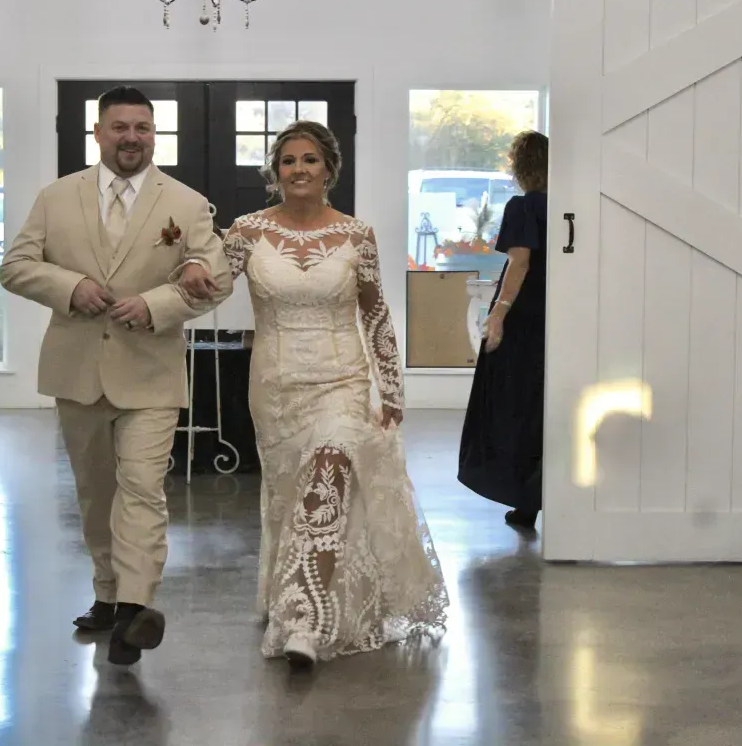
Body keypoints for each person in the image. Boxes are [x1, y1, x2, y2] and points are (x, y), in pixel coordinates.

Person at [177, 120, 449, 670]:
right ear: (276, 172)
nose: (298, 170)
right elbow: (214, 286)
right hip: (274, 387)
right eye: (288, 161)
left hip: (342, 379)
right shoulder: (247, 232)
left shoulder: (356, 235)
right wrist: (185, 269)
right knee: (290, 496)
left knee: (331, 469)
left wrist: (390, 385)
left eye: (309, 160)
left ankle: (304, 620)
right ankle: (290, 596)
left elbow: (374, 312)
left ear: (329, 169)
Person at [0, 85, 232, 666]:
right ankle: (107, 594)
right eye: (120, 127)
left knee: (142, 488)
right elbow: (15, 267)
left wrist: (159, 305)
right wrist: (69, 287)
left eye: (143, 128)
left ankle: (133, 609)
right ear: (98, 133)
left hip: (151, 372)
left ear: (155, 135)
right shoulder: (56, 198)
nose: (132, 137)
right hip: (77, 369)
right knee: (95, 492)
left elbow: (215, 277)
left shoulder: (187, 203)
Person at [457, 130, 549, 531]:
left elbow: (520, 263)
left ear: (521, 167)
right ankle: (539, 495)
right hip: (559, 314)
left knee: (512, 405)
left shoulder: (524, 206)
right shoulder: (571, 208)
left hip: (526, 317)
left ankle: (523, 496)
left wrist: (499, 312)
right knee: (545, 409)